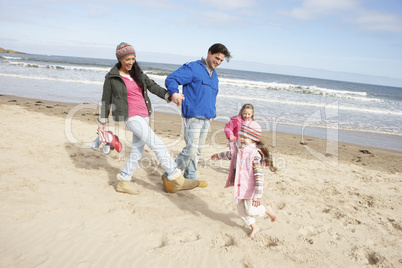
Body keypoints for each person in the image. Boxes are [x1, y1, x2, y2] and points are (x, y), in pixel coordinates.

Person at [98, 42, 200, 195]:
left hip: (144, 115)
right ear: (120, 59)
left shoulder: (137, 73)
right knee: (157, 144)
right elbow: (106, 99)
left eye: (133, 58)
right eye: (127, 59)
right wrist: (102, 122)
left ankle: (123, 181)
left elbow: (153, 86)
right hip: (131, 117)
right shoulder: (112, 77)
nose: (131, 62)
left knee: (136, 152)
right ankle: (177, 177)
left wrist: (171, 95)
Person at [161, 43, 232, 193]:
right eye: (216, 58)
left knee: (198, 151)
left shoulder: (214, 75)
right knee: (191, 149)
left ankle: (190, 177)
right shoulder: (193, 67)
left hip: (207, 118)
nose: (218, 62)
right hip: (193, 116)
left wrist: (212, 114)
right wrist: (174, 93)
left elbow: (212, 96)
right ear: (209, 53)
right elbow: (171, 79)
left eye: (221, 60)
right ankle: (169, 176)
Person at [211, 121, 277, 238]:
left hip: (251, 189)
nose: (242, 138)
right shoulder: (240, 150)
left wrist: (257, 194)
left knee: (250, 210)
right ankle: (254, 227)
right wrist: (218, 156)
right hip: (241, 186)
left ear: (253, 138)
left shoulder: (255, 154)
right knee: (241, 210)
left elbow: (259, 176)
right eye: (241, 135)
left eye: (245, 137)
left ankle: (266, 209)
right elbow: (230, 154)